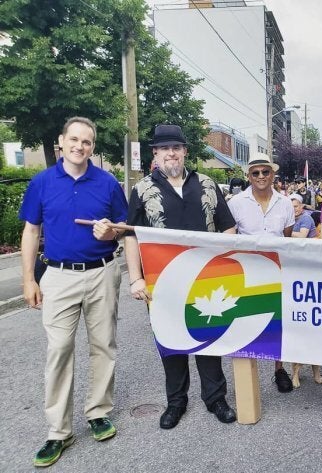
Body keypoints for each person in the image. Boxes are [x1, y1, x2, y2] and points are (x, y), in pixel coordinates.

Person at [19, 117, 128, 467]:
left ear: (93, 147)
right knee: (60, 349)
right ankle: (58, 432)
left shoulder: (108, 183)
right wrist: (28, 279)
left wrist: (109, 233)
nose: (80, 146)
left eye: (87, 142)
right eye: (75, 140)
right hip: (58, 276)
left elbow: (122, 230)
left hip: (102, 273)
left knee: (103, 345)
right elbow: (31, 231)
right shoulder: (42, 182)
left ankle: (98, 412)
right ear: (61, 142)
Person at [125, 124, 238, 430]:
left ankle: (215, 398)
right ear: (156, 154)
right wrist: (136, 278)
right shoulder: (143, 190)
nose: (171, 153)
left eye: (176, 147)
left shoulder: (207, 184)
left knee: (208, 339)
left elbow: (228, 226)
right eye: (164, 149)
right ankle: (176, 402)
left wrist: (222, 263)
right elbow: (131, 236)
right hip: (162, 284)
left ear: (185, 151)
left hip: (205, 280)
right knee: (170, 342)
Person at [228, 152, 295, 392]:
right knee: (246, 322)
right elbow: (230, 238)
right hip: (247, 272)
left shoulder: (285, 203)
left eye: (265, 172)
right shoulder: (235, 203)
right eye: (255, 173)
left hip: (277, 270)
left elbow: (287, 237)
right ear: (248, 176)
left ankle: (279, 369)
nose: (261, 176)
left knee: (278, 322)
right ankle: (249, 371)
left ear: (272, 174)